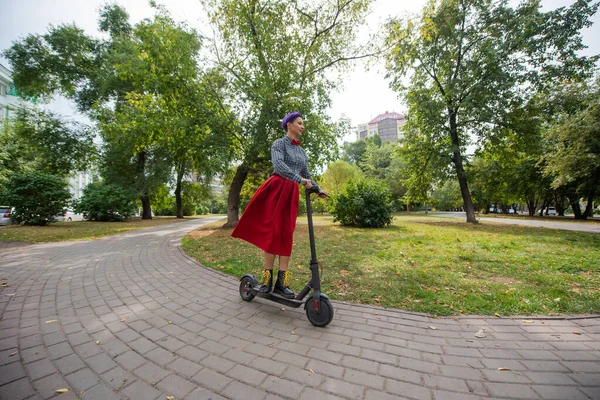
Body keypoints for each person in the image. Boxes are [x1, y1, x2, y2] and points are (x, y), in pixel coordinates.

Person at [231, 112, 327, 298]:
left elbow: (307, 174)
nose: (302, 126)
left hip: (291, 195)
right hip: (276, 191)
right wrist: (300, 179)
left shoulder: (301, 152)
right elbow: (279, 166)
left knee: (285, 236)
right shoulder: (278, 144)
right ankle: (267, 280)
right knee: (273, 234)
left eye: (303, 124)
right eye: (299, 123)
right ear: (289, 124)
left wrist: (318, 188)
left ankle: (282, 283)